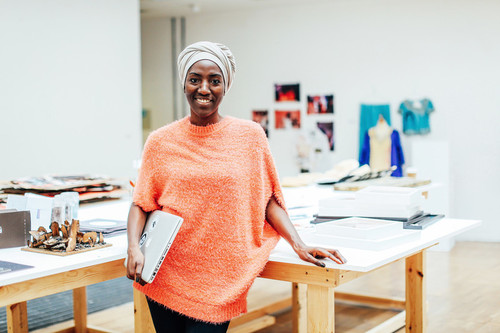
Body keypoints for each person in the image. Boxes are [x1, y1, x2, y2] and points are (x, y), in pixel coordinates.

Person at [126, 41, 346, 333]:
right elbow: (142, 202)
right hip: (166, 272)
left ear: (225, 86)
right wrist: (133, 248)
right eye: (195, 79)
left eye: (214, 81)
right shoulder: (160, 141)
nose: (204, 88)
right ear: (184, 84)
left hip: (220, 278)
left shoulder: (250, 136)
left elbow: (267, 199)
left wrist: (299, 243)